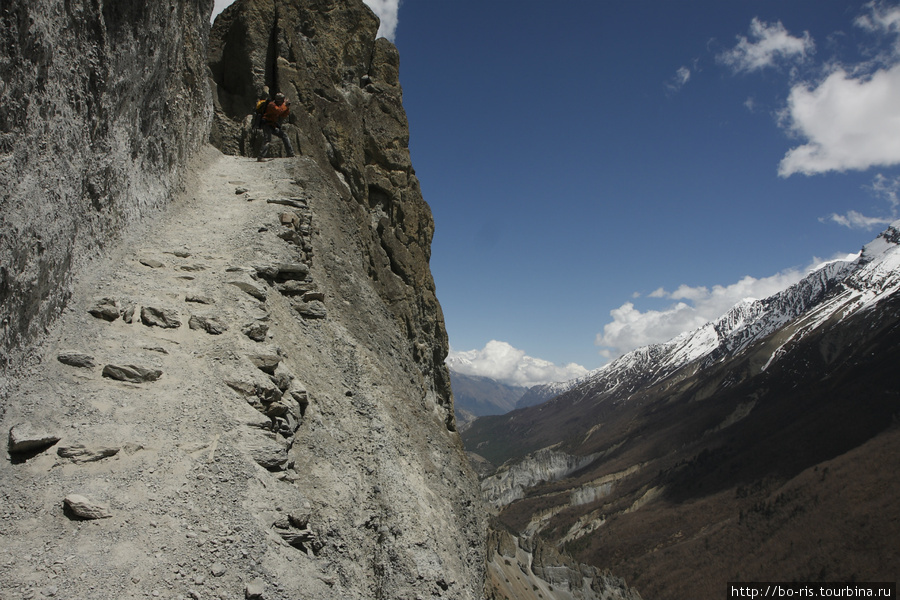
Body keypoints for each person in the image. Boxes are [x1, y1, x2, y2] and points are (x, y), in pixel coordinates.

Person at [258, 92, 296, 161]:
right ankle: (260, 157)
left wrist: (287, 108)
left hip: (272, 125)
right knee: (267, 140)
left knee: (284, 135)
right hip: (266, 124)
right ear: (279, 100)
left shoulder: (279, 106)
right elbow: (278, 111)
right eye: (282, 100)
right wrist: (284, 105)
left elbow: (283, 115)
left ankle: (290, 153)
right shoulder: (271, 105)